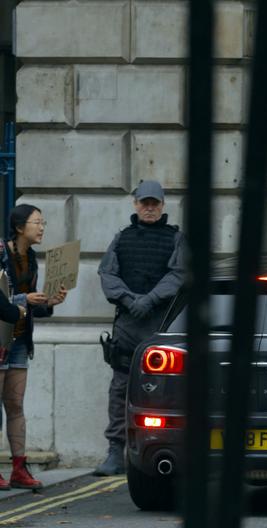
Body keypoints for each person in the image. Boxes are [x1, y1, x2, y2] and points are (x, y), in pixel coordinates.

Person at [94, 181, 185, 476]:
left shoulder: (177, 239)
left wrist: (149, 300)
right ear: (135, 204)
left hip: (161, 326)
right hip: (129, 324)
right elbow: (107, 274)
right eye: (144, 203)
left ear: (162, 206)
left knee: (165, 389)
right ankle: (114, 452)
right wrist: (131, 300)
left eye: (154, 203)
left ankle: (165, 448)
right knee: (120, 387)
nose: (149, 208)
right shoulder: (122, 239)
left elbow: (179, 275)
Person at [0, 204, 68, 490]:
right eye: (36, 222)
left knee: (15, 404)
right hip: (0, 339)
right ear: (19, 227)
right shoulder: (2, 254)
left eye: (43, 222)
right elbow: (5, 301)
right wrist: (25, 301)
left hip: (19, 340)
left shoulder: (31, 257)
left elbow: (31, 305)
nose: (41, 228)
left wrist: (49, 302)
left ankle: (19, 468)